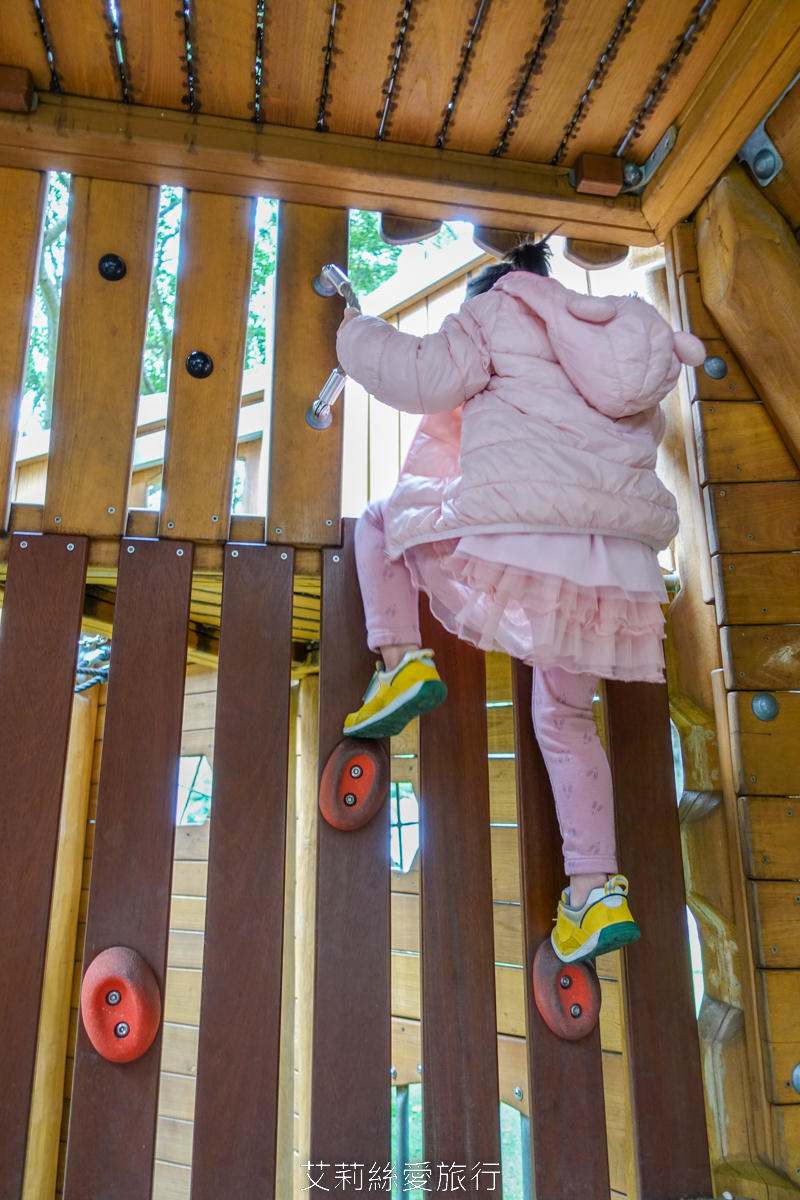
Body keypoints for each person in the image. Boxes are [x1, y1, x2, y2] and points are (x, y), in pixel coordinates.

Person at [335, 241, 704, 964]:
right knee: (566, 719)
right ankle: (595, 890)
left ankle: (401, 661)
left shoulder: (495, 314)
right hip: (611, 565)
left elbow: (425, 374)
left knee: (382, 522)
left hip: (521, 532)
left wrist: (353, 332)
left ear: (494, 287)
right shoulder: (620, 338)